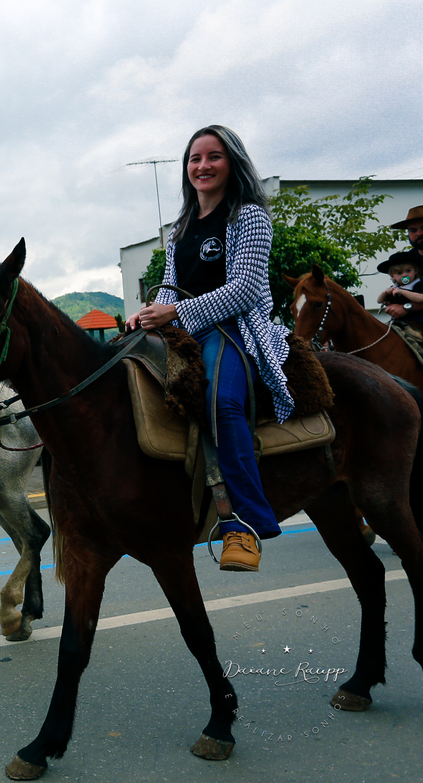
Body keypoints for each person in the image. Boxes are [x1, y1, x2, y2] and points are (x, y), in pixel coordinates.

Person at [125, 125, 291, 572]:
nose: (202, 166)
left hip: (235, 329)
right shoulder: (180, 228)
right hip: (185, 329)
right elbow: (171, 288)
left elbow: (245, 289)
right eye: (194, 159)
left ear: (232, 162)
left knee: (221, 403)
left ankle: (247, 522)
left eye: (213, 156)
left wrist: (175, 312)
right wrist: (149, 313)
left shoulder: (249, 216)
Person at [377, 251, 423, 328]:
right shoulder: (395, 288)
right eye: (399, 273)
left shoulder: (418, 284)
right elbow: (379, 301)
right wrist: (384, 293)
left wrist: (402, 292)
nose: (404, 275)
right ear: (393, 276)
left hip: (418, 320)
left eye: (408, 271)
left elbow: (420, 298)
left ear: (415, 271)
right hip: (399, 322)